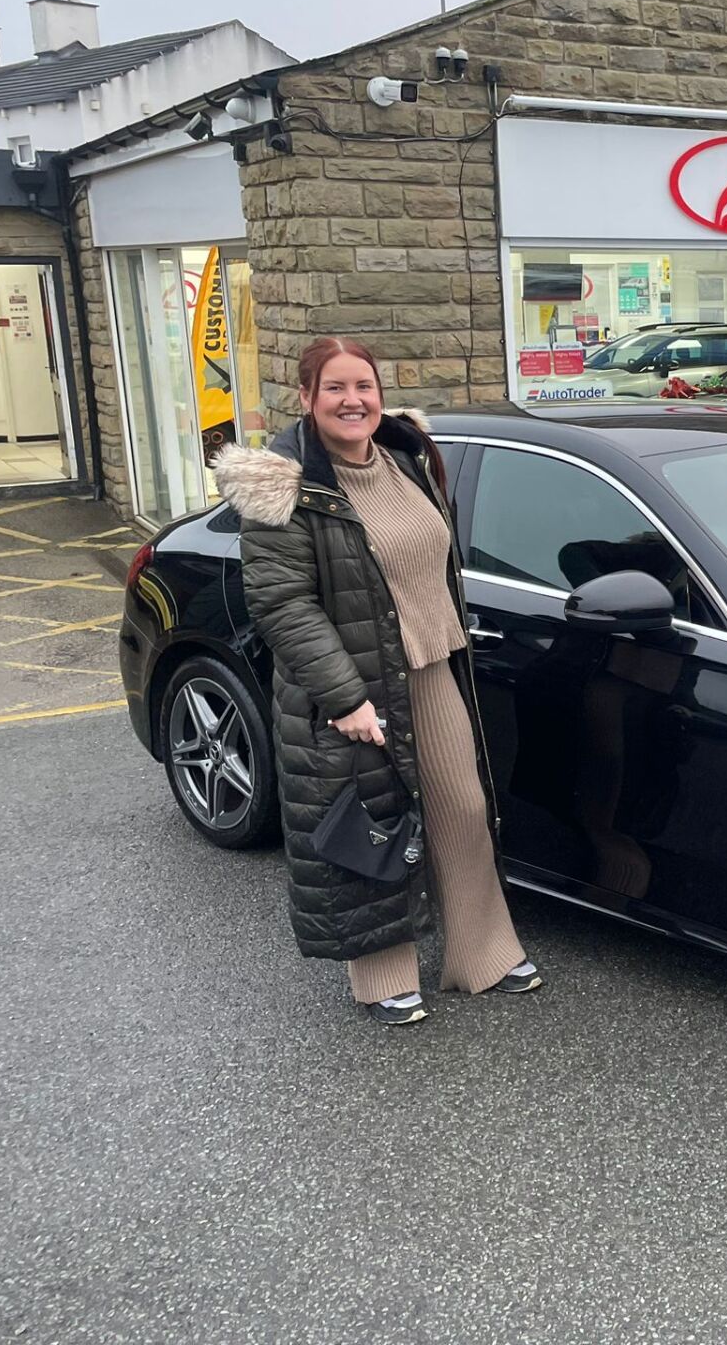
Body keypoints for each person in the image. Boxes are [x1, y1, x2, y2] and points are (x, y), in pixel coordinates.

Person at [212, 337, 539, 1025]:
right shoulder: (283, 487)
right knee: (372, 825)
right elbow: (282, 603)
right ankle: (383, 976)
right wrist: (345, 696)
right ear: (305, 398)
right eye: (334, 388)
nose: (352, 400)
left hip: (431, 668)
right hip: (350, 690)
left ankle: (483, 953)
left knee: (464, 810)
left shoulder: (405, 460)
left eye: (363, 384)